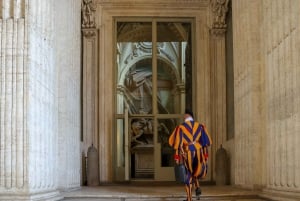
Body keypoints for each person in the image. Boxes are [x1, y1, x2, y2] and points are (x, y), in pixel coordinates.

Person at [168, 109, 212, 201]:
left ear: (186, 116)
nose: (184, 117)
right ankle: (197, 187)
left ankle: (189, 198)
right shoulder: (200, 126)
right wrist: (205, 155)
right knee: (196, 171)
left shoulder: (180, 127)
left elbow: (178, 144)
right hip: (199, 151)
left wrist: (176, 157)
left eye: (184, 116)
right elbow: (204, 142)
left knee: (188, 174)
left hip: (187, 152)